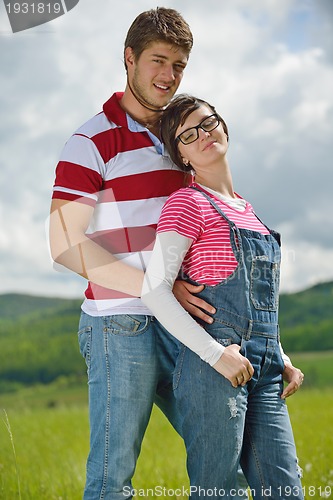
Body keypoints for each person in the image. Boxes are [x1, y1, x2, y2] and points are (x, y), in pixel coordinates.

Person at [48, 8, 207, 499]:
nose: (169, 76)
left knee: (228, 455)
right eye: (159, 61)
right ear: (129, 58)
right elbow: (65, 245)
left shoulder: (183, 137)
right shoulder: (91, 140)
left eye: (179, 65)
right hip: (121, 324)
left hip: (186, 322)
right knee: (112, 481)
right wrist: (156, 287)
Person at [141, 94, 305, 499]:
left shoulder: (250, 211)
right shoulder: (187, 204)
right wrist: (217, 355)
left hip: (264, 372)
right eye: (187, 135)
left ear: (223, 126)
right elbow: (154, 291)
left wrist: (280, 356)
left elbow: (259, 301)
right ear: (181, 156)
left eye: (207, 122)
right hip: (213, 370)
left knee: (285, 490)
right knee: (218, 492)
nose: (203, 135)